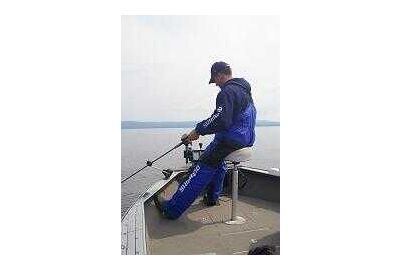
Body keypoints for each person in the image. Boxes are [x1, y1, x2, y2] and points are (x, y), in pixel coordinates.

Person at [155, 61, 257, 219]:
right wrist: (201, 129)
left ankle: (170, 210)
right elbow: (225, 119)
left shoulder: (227, 91)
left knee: (200, 169)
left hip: (230, 140)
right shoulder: (244, 91)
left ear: (220, 75)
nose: (215, 84)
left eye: (215, 80)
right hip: (244, 139)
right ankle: (212, 198)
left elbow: (221, 120)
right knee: (219, 163)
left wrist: (198, 130)